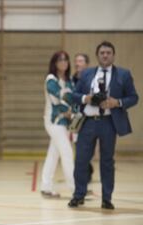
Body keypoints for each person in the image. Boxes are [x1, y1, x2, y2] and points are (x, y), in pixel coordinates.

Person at [69, 41, 139, 209]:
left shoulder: (123, 74)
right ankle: (79, 195)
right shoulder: (86, 74)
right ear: (97, 55)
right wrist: (86, 98)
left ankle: (106, 198)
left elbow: (134, 97)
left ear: (113, 55)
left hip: (109, 123)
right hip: (88, 122)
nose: (105, 55)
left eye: (108, 52)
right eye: (102, 53)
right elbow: (74, 95)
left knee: (107, 161)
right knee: (81, 160)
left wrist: (118, 102)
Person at [41, 51, 75, 198]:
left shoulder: (69, 81)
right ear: (55, 63)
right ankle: (76, 188)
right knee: (67, 153)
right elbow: (57, 101)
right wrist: (70, 111)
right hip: (54, 122)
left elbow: (73, 99)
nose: (64, 62)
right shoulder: (51, 79)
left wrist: (72, 113)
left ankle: (45, 186)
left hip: (66, 122)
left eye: (66, 60)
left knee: (53, 154)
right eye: (61, 60)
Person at [72, 53, 94, 186]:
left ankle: (87, 170)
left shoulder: (92, 78)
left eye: (80, 61)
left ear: (86, 63)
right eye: (76, 61)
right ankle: (82, 176)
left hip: (89, 118)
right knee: (79, 148)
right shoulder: (72, 78)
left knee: (88, 149)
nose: (77, 63)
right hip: (76, 117)